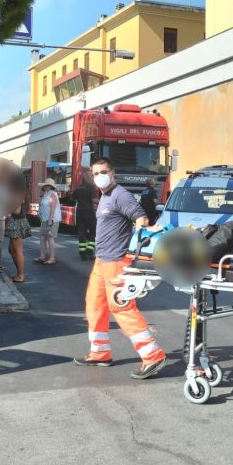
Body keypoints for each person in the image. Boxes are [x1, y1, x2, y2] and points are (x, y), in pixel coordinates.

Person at [74, 156, 167, 379]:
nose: (100, 176)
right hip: (102, 261)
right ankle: (100, 352)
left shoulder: (120, 195)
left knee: (121, 307)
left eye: (104, 172)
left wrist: (137, 243)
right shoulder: (105, 196)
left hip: (116, 261)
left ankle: (153, 355)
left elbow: (141, 218)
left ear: (112, 173)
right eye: (96, 173)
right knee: (94, 305)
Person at [5, 182, 30, 283]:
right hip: (17, 222)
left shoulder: (17, 194)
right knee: (11, 249)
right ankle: (19, 273)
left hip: (17, 222)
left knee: (18, 250)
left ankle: (20, 275)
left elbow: (16, 211)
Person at [34, 178, 61, 266]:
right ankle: (42, 256)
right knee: (42, 237)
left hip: (52, 219)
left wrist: (50, 219)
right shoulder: (46, 194)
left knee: (50, 238)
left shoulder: (53, 194)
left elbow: (53, 208)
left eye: (45, 185)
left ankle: (52, 258)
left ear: (49, 186)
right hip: (44, 219)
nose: (44, 187)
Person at [72, 175, 97, 260]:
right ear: (88, 178)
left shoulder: (78, 187)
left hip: (79, 212)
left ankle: (82, 254)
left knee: (81, 233)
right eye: (92, 177)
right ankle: (89, 251)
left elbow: (73, 197)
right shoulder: (91, 187)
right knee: (93, 232)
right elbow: (94, 200)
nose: (93, 179)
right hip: (89, 212)